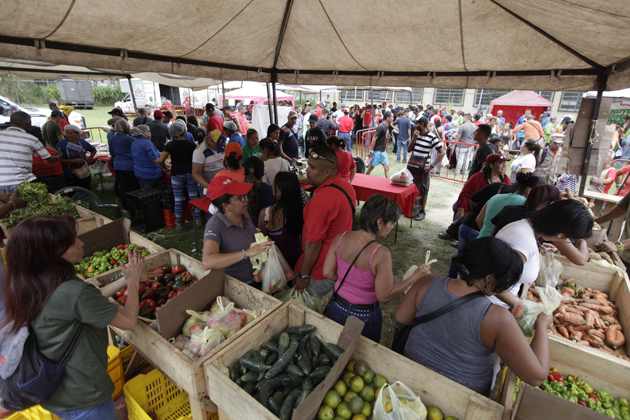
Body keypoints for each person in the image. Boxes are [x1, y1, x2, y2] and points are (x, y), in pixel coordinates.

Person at [1, 215, 144, 418]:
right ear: (49, 254)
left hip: (56, 392)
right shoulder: (72, 291)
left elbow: (83, 305)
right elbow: (129, 321)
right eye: (71, 243)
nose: (81, 243)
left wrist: (124, 280)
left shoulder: (28, 282)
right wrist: (133, 283)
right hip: (85, 396)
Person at [395, 237, 552, 395]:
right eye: (506, 281)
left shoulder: (427, 282)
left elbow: (401, 317)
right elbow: (536, 377)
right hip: (460, 395)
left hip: (410, 373)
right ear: (489, 278)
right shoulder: (498, 318)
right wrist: (541, 327)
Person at [323, 195, 430, 342]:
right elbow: (384, 296)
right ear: (380, 223)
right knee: (359, 359)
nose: (392, 227)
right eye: (392, 223)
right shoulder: (381, 254)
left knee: (332, 349)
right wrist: (415, 277)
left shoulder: (341, 237)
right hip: (364, 317)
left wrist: (349, 282)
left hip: (336, 307)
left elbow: (327, 272)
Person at [492, 200, 593, 309]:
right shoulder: (523, 240)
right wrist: (524, 308)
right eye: (569, 238)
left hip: (500, 304)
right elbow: (495, 283)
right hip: (491, 305)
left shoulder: (527, 228)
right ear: (560, 235)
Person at [295, 146, 357, 296]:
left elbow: (313, 245)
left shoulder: (322, 199)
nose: (307, 170)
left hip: (318, 271)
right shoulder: (346, 186)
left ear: (327, 172)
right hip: (337, 264)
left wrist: (303, 276)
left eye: (312, 167)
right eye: (308, 165)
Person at [202, 176, 274, 285]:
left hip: (257, 277)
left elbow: (252, 233)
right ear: (225, 205)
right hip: (237, 285)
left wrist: (263, 240)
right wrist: (246, 253)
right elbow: (207, 261)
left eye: (245, 196)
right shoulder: (215, 226)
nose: (246, 200)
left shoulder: (244, 214)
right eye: (240, 198)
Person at [156, 122, 202, 229]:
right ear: (184, 132)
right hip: (191, 174)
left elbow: (161, 159)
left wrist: (165, 167)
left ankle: (179, 224)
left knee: (178, 199)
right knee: (194, 197)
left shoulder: (170, 145)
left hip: (176, 174)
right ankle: (198, 220)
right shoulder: (191, 144)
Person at [0, 112, 59, 194]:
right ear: (24, 125)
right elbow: (50, 159)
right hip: (21, 182)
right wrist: (59, 155)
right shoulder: (31, 139)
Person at [258, 171, 304, 269]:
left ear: (279, 191)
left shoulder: (266, 213)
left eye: (274, 184)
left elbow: (262, 238)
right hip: (297, 259)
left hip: (276, 262)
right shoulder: (302, 211)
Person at [477, 172, 541, 238]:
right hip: (498, 245)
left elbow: (478, 220)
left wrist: (487, 233)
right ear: (529, 191)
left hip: (480, 240)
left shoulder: (496, 197)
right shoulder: (524, 204)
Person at [407, 117, 446, 221]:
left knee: (424, 189)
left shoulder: (432, 137)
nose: (415, 126)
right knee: (411, 188)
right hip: (412, 167)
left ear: (422, 124)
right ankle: (410, 209)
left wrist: (431, 166)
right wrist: (414, 138)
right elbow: (408, 150)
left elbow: (442, 152)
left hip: (424, 169)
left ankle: (422, 211)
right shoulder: (416, 135)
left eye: (417, 124)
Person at [454, 153, 511, 220]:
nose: (504, 166)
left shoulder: (505, 179)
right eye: (501, 163)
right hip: (474, 214)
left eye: (505, 163)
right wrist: (461, 211)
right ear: (491, 165)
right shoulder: (478, 177)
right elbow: (465, 195)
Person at [56, 124, 97, 190]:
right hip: (68, 173)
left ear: (77, 134)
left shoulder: (82, 142)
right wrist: (74, 161)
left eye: (71, 133)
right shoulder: (62, 143)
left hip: (83, 171)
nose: (68, 135)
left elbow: (93, 150)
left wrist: (87, 161)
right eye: (67, 133)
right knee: (72, 191)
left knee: (85, 189)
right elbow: (58, 159)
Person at [109, 119, 139, 209]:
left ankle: (124, 207)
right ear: (125, 128)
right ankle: (135, 206)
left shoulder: (112, 138)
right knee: (133, 186)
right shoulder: (129, 139)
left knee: (123, 186)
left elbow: (111, 152)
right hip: (129, 166)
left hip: (117, 165)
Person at [243, 156, 276, 223]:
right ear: (263, 172)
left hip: (248, 230)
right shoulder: (271, 190)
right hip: (269, 229)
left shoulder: (239, 192)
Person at [130, 124, 163, 189]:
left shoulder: (135, 142)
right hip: (150, 173)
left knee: (144, 192)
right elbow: (155, 159)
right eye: (148, 131)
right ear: (143, 133)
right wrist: (165, 165)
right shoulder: (147, 143)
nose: (150, 133)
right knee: (152, 192)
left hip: (139, 172)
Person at [366, 111, 393, 178]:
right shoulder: (381, 126)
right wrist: (371, 151)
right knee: (371, 168)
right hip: (376, 151)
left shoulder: (387, 125)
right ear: (387, 118)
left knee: (387, 167)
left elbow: (392, 125)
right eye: (392, 117)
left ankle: (388, 183)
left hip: (383, 151)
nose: (393, 118)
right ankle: (365, 178)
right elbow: (374, 138)